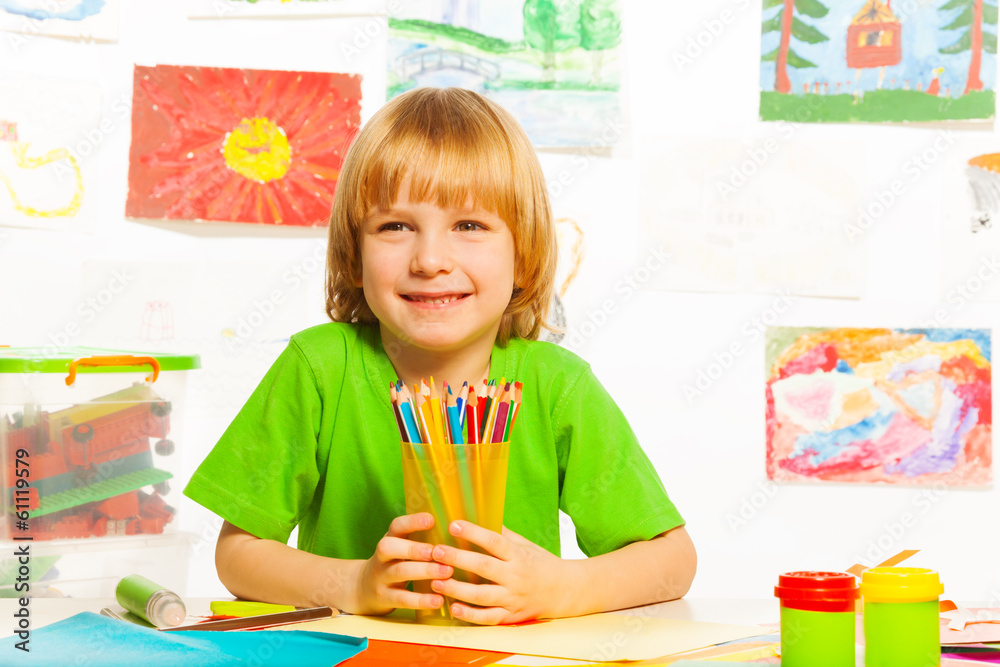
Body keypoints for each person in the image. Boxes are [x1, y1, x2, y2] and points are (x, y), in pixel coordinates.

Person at [184, 87, 696, 626]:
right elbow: (238, 557)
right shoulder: (318, 368)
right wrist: (354, 583)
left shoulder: (556, 386)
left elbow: (673, 563)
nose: (429, 259)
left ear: (524, 255)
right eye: (395, 226)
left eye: (469, 226)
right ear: (354, 256)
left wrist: (562, 589)